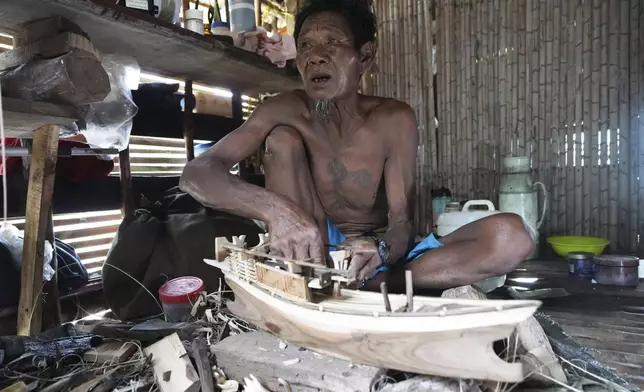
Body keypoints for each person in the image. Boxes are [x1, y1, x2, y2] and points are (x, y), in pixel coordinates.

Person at [180, 0, 534, 293]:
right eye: (305, 45)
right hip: (313, 249)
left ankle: (370, 282)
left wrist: (378, 251)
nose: (315, 56)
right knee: (281, 141)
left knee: (512, 237)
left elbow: (402, 225)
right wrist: (276, 211)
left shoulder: (394, 119)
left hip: (382, 253)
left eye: (332, 42)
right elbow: (197, 173)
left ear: (364, 56)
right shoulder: (282, 108)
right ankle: (323, 277)